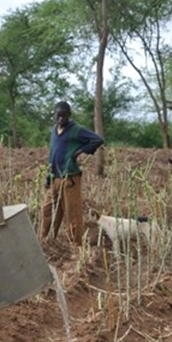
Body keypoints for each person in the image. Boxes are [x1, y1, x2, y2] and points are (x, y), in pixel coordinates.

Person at [39, 100, 104, 243]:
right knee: (48, 210)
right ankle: (46, 241)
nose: (61, 118)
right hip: (55, 176)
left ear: (69, 115)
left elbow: (97, 140)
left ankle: (76, 245)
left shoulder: (76, 129)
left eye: (64, 116)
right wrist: (48, 176)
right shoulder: (54, 130)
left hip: (70, 178)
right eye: (59, 115)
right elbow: (52, 153)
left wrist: (78, 152)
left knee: (72, 213)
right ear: (54, 115)